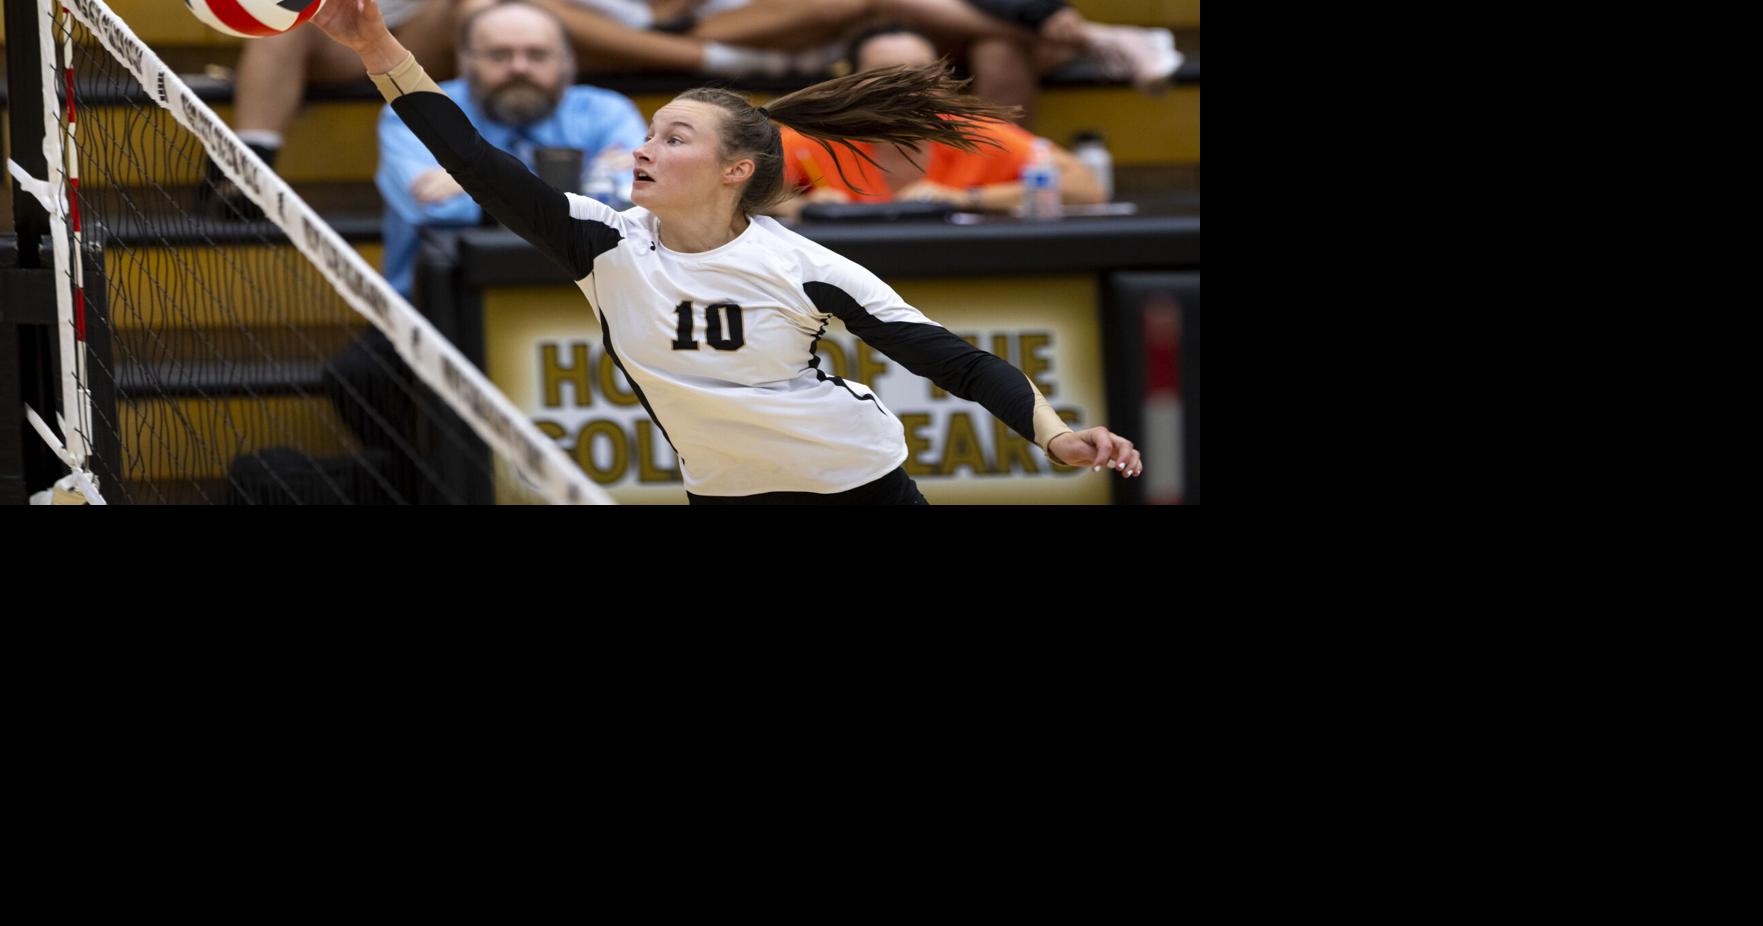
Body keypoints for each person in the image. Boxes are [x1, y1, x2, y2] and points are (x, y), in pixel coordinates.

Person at [313, 0, 1142, 504]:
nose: (641, 150)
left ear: (733, 170)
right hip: (723, 494)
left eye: (671, 138)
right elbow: (473, 160)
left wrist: (1054, 436)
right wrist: (379, 50)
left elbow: (955, 362)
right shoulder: (601, 241)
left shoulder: (803, 267)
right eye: (644, 133)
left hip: (858, 488)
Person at [376, 0, 647, 298]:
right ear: (465, 62)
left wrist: (472, 182)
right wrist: (579, 181)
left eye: (537, 54)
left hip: (588, 306)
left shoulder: (607, 111)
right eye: (499, 54)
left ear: (568, 61)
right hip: (428, 314)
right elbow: (432, 207)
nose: (519, 67)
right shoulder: (416, 111)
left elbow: (634, 203)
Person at [770, 25, 1102, 219]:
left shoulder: (975, 131)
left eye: (921, 74)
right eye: (886, 76)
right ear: (852, 82)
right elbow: (738, 191)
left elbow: (1086, 189)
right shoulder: (815, 134)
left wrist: (967, 199)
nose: (908, 88)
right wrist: (802, 205)